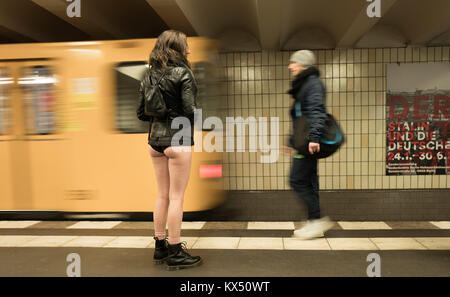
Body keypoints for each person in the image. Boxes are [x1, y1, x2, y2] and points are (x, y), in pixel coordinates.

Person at [137, 30, 201, 270]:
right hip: (179, 140)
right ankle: (175, 251)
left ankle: (159, 247)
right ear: (177, 47)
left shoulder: (148, 75)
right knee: (177, 197)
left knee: (162, 195)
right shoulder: (184, 73)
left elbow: (141, 113)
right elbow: (190, 109)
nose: (189, 50)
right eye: (186, 45)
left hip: (155, 141)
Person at [282, 50, 334, 239]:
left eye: (293, 62)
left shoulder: (312, 84)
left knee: (296, 180)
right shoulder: (305, 84)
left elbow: (317, 111)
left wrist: (314, 137)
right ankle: (315, 223)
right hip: (303, 142)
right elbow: (299, 118)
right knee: (310, 182)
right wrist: (290, 142)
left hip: (307, 144)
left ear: (303, 64)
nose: (290, 66)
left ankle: (317, 220)